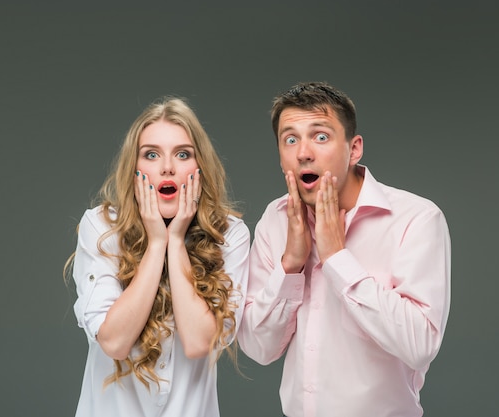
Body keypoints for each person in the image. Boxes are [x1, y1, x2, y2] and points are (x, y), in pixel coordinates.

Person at [237, 82, 451, 417]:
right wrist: (290, 265)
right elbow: (258, 348)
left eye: (320, 136)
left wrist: (337, 259)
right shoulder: (275, 220)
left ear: (354, 149)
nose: (304, 152)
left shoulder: (417, 219)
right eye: (290, 139)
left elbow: (420, 345)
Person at [65, 97, 249, 417]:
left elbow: (197, 343)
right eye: (151, 154)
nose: (167, 167)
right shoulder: (102, 226)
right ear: (135, 169)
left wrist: (175, 241)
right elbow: (114, 342)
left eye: (182, 154)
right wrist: (155, 245)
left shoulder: (231, 235)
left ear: (199, 167)